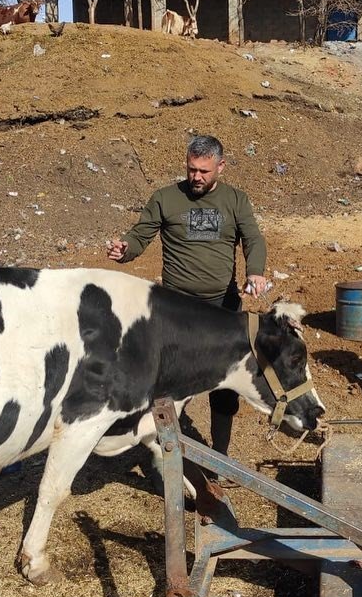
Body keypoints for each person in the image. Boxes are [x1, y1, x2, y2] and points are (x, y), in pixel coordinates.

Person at [107, 135, 268, 456]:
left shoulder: (236, 200)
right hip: (176, 312)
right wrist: (125, 248)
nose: (196, 176)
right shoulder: (166, 198)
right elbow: (141, 234)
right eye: (192, 169)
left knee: (224, 388)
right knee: (167, 386)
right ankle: (166, 453)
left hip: (221, 310)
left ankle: (221, 454)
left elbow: (253, 238)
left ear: (220, 167)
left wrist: (256, 270)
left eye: (204, 171)